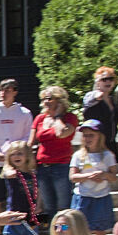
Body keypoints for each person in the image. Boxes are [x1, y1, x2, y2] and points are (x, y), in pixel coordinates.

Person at [69, 120, 118, 235]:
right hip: (83, 196)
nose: (88, 138)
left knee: (100, 229)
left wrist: (104, 175)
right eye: (85, 135)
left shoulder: (108, 155)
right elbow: (73, 177)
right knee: (80, 228)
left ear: (100, 136)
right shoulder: (78, 155)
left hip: (101, 197)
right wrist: (88, 176)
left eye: (91, 135)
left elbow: (114, 177)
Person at [28, 86, 77, 220]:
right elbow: (31, 142)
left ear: (59, 101)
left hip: (61, 166)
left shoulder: (70, 118)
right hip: (42, 167)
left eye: (49, 99)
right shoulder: (39, 118)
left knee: (64, 208)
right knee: (50, 208)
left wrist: (58, 116)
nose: (46, 102)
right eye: (44, 99)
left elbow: (62, 133)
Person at [0, 140, 39, 235]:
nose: (16, 156)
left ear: (27, 156)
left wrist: (39, 206)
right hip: (15, 213)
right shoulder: (11, 172)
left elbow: (37, 192)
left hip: (30, 214)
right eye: (13, 154)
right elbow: (7, 173)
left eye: (20, 153)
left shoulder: (32, 174)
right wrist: (8, 168)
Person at [0, 79, 32, 198]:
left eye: (7, 90)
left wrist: (18, 154)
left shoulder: (25, 113)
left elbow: (28, 136)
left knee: (20, 197)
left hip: (18, 164)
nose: (3, 93)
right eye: (1, 90)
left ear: (15, 92)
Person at [81, 67, 118, 148]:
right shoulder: (91, 96)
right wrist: (95, 96)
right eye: (104, 79)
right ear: (97, 82)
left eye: (111, 79)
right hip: (95, 145)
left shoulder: (113, 99)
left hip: (111, 144)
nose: (108, 81)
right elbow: (87, 102)